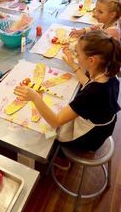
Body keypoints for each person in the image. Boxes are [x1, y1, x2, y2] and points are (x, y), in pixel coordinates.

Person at [14, 31, 121, 166]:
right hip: (103, 129)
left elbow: (56, 121)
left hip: (89, 138)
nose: (76, 57)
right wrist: (73, 65)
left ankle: (59, 157)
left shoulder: (91, 94)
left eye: (78, 54)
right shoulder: (109, 75)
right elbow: (87, 82)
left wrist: (35, 98)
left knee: (47, 132)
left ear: (91, 60)